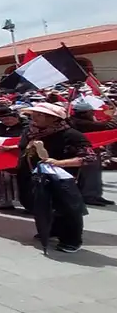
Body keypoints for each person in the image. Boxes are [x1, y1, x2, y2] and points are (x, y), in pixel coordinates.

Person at [15, 102, 92, 253]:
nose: (34, 118)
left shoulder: (71, 135)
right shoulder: (30, 132)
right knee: (39, 205)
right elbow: (22, 146)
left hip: (62, 179)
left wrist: (60, 163)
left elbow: (89, 157)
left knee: (67, 208)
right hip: (35, 176)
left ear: (53, 119)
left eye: (39, 115)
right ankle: (51, 229)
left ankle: (71, 240)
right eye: (33, 115)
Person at [69, 98, 116, 207]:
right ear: (85, 113)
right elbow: (109, 126)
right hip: (84, 152)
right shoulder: (80, 122)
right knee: (90, 175)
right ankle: (89, 196)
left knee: (95, 174)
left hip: (91, 151)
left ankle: (95, 195)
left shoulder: (79, 120)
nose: (93, 113)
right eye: (91, 112)